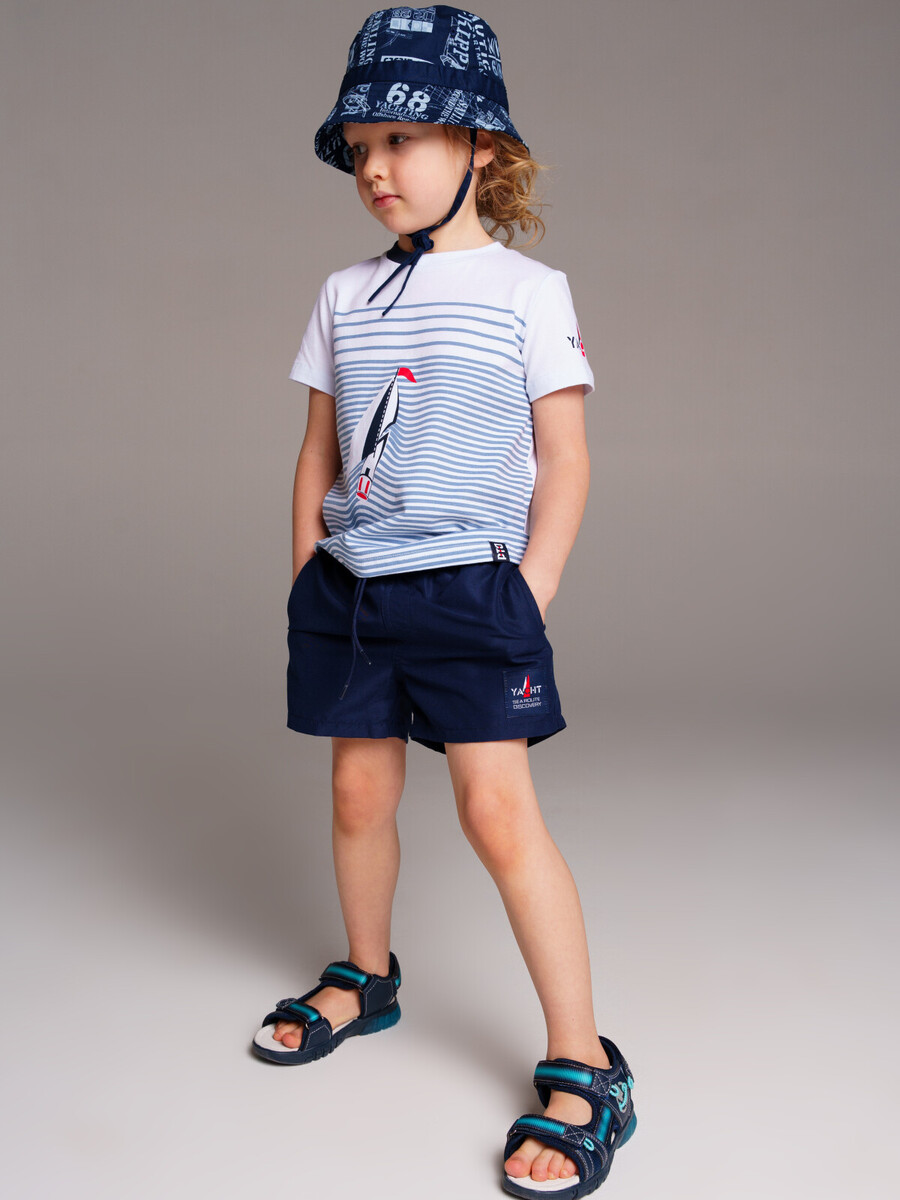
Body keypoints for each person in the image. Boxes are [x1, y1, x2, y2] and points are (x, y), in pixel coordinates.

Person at [251, 9, 636, 1197]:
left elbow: (565, 455)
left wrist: (533, 586)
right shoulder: (343, 293)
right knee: (358, 792)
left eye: (402, 139)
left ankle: (587, 1063)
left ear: (479, 144)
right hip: (351, 590)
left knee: (496, 815)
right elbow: (316, 450)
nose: (375, 167)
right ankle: (368, 976)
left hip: (474, 590)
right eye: (360, 146)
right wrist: (305, 567)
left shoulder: (528, 292)